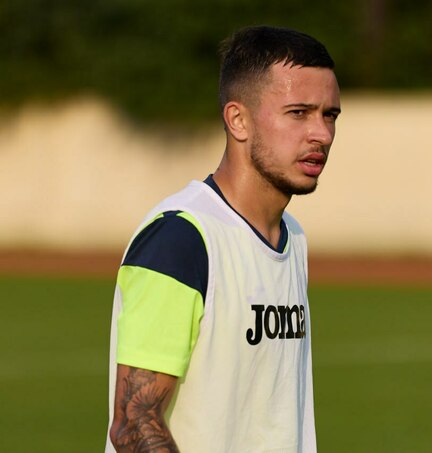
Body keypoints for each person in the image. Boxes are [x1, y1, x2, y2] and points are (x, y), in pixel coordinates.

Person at [105, 25, 341, 452]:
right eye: (298, 113)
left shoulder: (293, 237)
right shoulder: (181, 239)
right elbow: (133, 424)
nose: (321, 134)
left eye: (329, 115)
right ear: (238, 120)